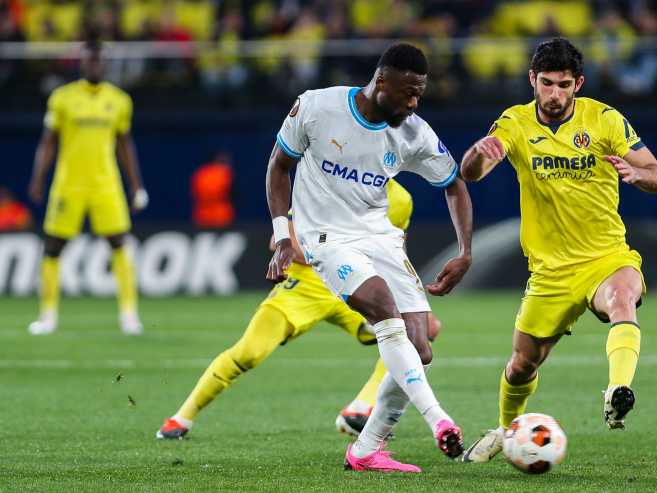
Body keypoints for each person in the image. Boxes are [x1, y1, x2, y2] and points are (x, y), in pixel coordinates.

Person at [459, 37, 657, 464]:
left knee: (623, 296)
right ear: (532, 79)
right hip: (550, 271)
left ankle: (618, 388)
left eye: (564, 85)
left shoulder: (606, 120)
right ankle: (506, 429)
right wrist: (479, 155)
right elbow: (472, 173)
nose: (554, 94)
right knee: (521, 365)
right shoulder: (514, 122)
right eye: (547, 84)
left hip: (605, 256)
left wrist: (636, 173)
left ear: (579, 84)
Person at [266, 43, 473, 473]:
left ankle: (366, 450)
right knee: (384, 311)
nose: (414, 102)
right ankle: (440, 421)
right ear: (382, 81)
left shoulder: (414, 132)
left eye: (420, 94)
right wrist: (282, 234)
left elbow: (453, 184)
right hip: (325, 237)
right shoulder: (317, 107)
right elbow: (278, 167)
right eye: (409, 92)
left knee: (421, 348)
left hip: (380, 235)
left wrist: (465, 252)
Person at [156, 179, 442, 440]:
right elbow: (281, 240)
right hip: (305, 287)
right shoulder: (330, 181)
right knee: (249, 352)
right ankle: (180, 419)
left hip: (355, 289)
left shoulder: (401, 199)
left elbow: (395, 254)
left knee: (412, 336)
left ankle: (361, 409)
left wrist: (415, 303)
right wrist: (332, 256)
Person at [27, 39, 148, 336]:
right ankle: (48, 316)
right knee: (53, 246)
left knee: (119, 243)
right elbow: (48, 142)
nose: (94, 64)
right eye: (89, 60)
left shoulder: (119, 100)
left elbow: (125, 146)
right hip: (68, 184)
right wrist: (38, 178)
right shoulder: (62, 98)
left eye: (98, 60)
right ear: (82, 63)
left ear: (104, 63)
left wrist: (136, 185)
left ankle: (129, 315)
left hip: (105, 184)